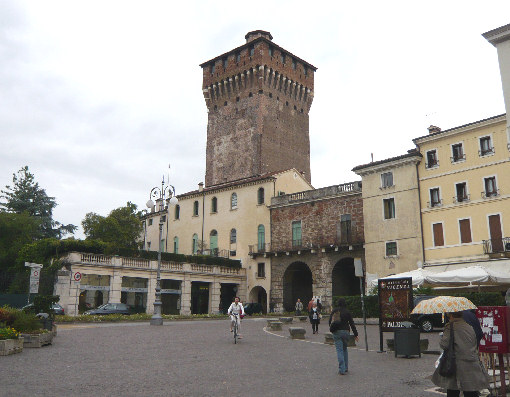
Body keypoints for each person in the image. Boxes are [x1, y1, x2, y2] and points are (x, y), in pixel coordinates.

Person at [431, 311, 489, 397]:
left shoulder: (450, 326)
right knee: (470, 391)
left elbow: (444, 345)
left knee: (453, 390)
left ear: (450, 315)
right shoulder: (469, 326)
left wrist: (443, 337)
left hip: (456, 364)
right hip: (471, 362)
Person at [329, 298, 359, 375]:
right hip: (346, 331)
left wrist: (332, 328)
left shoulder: (335, 311)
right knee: (345, 349)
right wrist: (356, 334)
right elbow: (352, 324)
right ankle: (346, 367)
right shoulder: (347, 312)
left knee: (339, 350)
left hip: (337, 332)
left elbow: (330, 321)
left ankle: (341, 369)